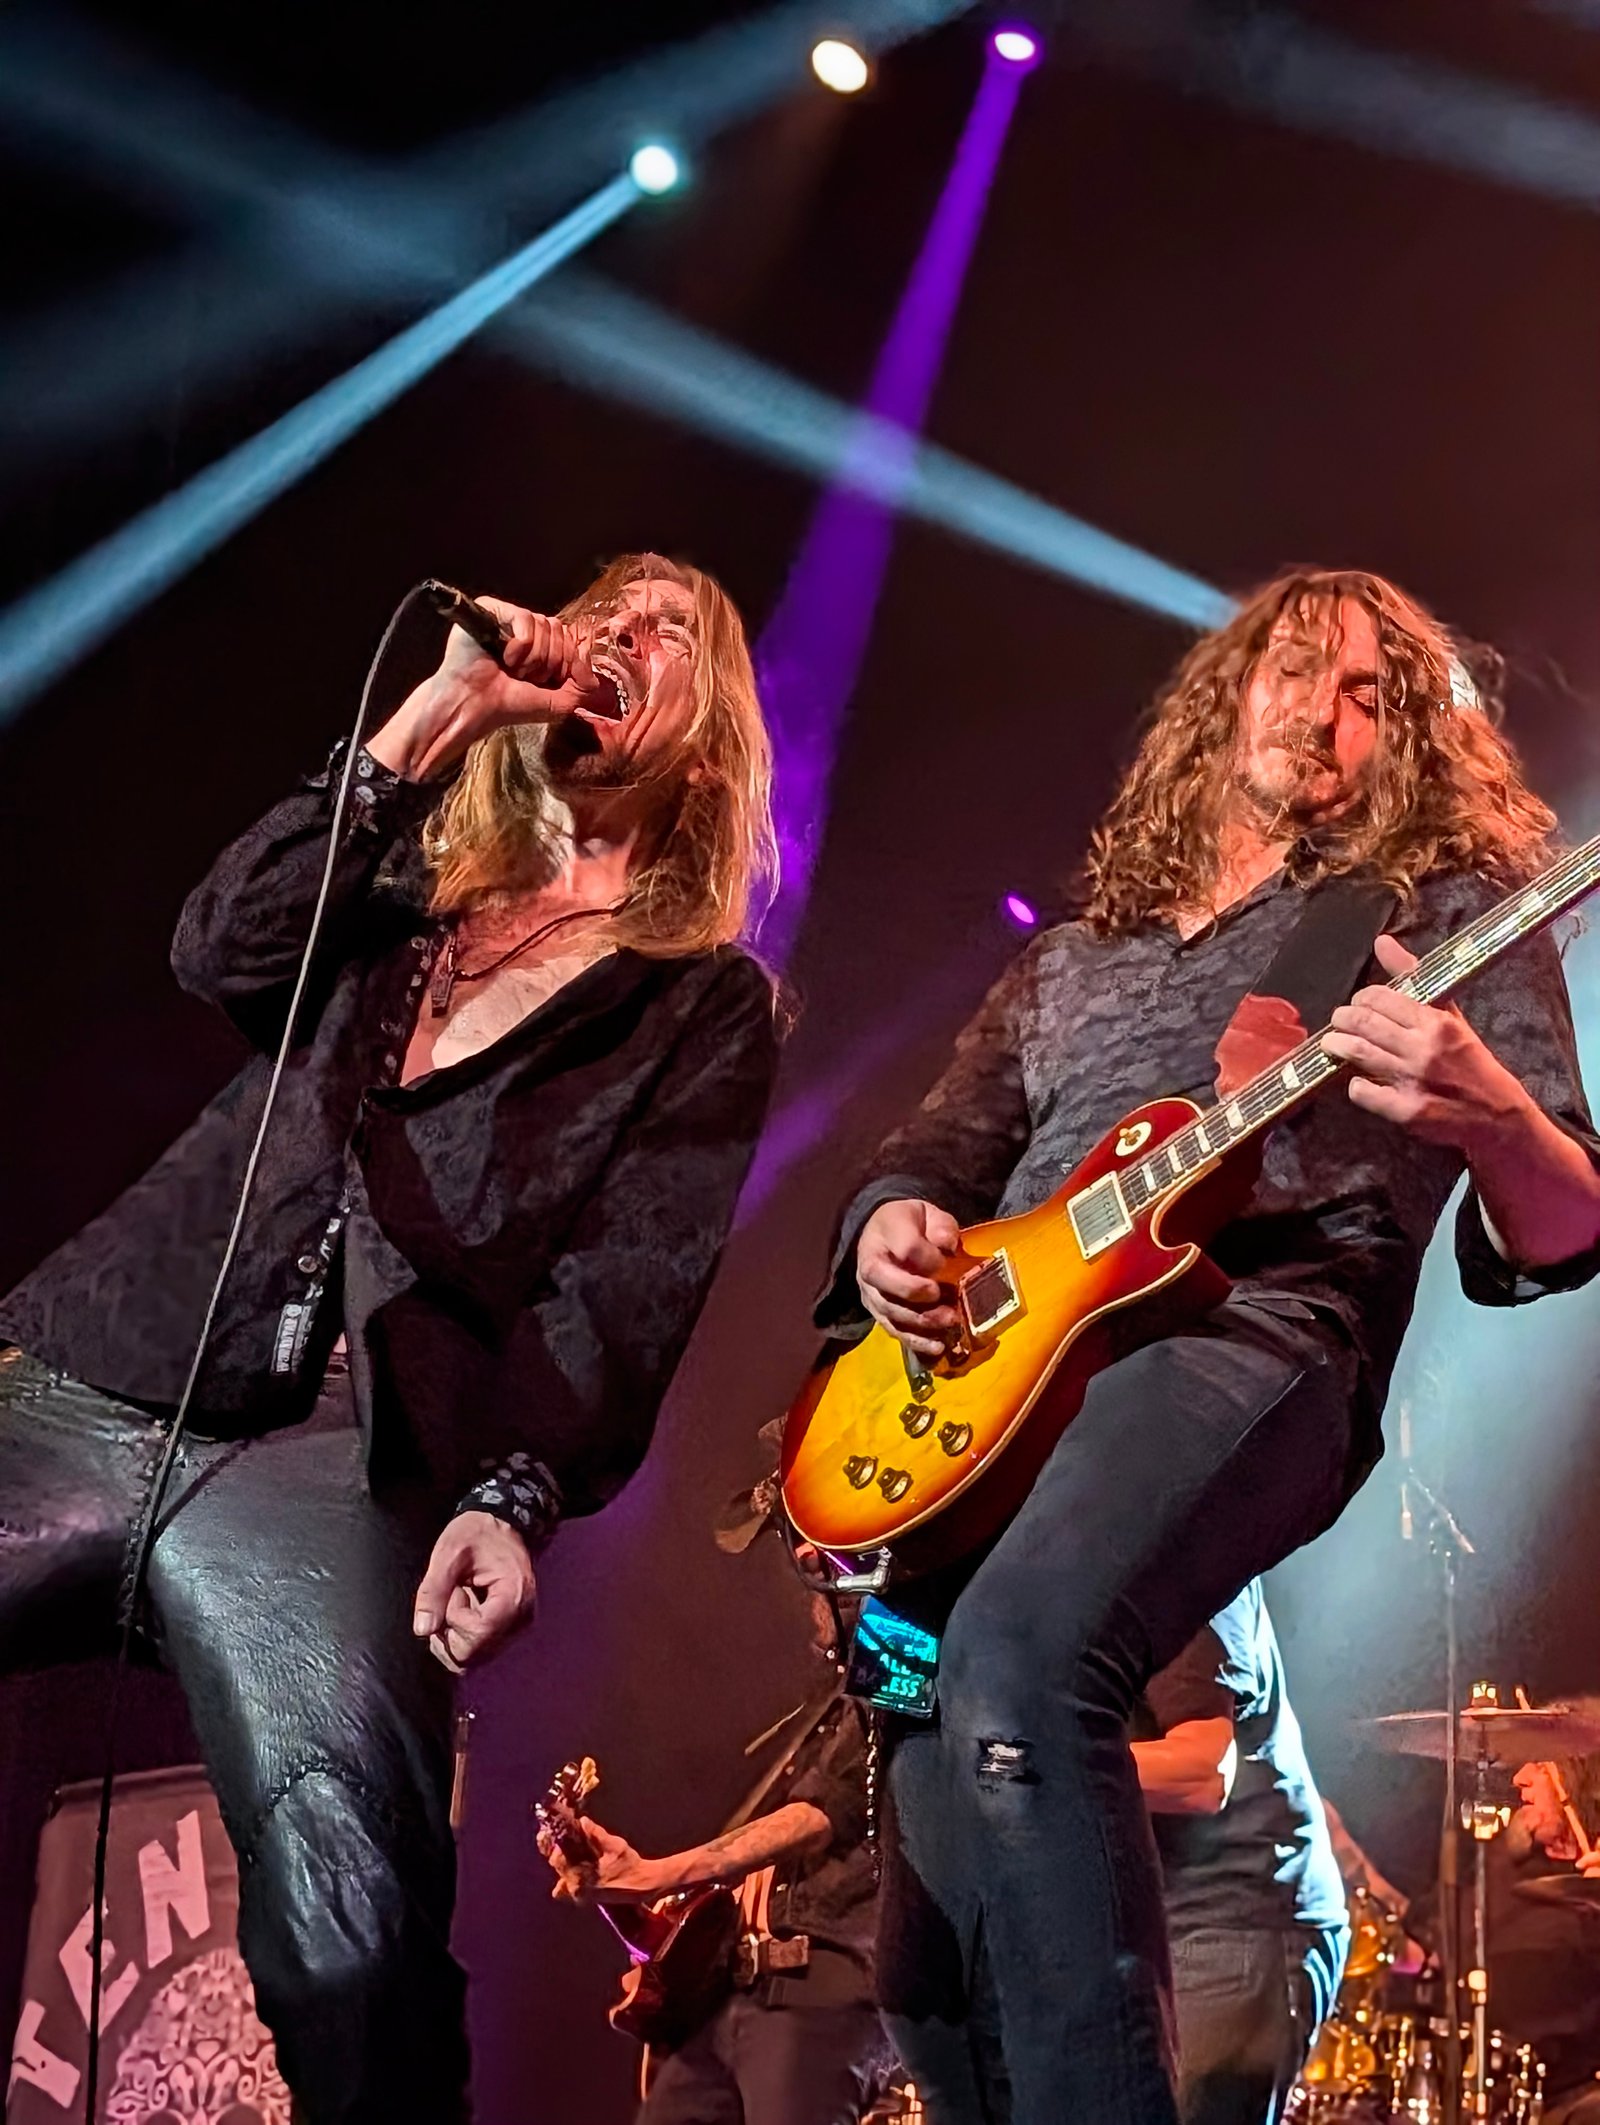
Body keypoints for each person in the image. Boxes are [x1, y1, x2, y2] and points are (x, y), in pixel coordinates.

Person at [0, 552, 782, 2123]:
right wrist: (439, 713)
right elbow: (218, 945)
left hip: (334, 1456)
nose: (620, 639)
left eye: (669, 637)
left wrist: (512, 1495)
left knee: (355, 1945)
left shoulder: (696, 1006)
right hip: (117, 1354)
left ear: (709, 747)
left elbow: (623, 1289)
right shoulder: (407, 890)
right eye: (606, 614)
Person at [815, 569, 1600, 2124]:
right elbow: (927, 1159)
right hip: (997, 1384)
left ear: (1412, 741)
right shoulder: (1073, 958)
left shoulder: (1431, 914)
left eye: (1373, 693)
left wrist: (1491, 1110)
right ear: (1229, 693)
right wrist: (891, 1226)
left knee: (1029, 1657)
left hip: (1256, 1323)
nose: (1327, 709)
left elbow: (1568, 1222)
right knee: (928, 1928)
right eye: (1298, 668)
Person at [542, 1499, 893, 2125]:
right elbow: (682, 1925)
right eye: (798, 1542)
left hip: (813, 1989)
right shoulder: (804, 1719)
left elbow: (820, 1814)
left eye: (817, 1544)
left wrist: (657, 1873)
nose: (804, 1560)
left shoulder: (896, 1668)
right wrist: (618, 1887)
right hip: (722, 1997)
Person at [1134, 1581, 1346, 2125]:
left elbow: (1202, 1773)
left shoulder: (1181, 1562)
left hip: (1233, 1919)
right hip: (1161, 1922)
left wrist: (1026, 1763)